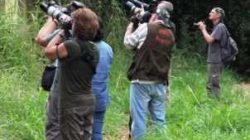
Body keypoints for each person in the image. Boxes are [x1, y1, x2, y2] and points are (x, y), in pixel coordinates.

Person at [43, 7, 99, 139]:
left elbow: (48, 52)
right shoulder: (94, 48)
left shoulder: (71, 46)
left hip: (71, 103)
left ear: (76, 25)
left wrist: (63, 30)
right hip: (88, 101)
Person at [123, 1, 175, 139]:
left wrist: (131, 25)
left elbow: (128, 43)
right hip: (160, 82)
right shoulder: (171, 34)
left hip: (141, 81)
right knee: (159, 120)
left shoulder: (146, 28)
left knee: (139, 120)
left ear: (156, 15)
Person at [35, 17, 61, 140]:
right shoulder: (92, 42)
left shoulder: (67, 34)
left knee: (55, 127)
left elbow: (42, 40)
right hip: (83, 90)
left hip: (60, 83)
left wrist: (53, 21)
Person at [196, 7, 227, 99]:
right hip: (214, 59)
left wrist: (203, 29)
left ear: (218, 15)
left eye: (212, 12)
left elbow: (209, 40)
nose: (210, 13)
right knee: (211, 82)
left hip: (216, 59)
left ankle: (215, 103)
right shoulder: (217, 27)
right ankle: (212, 102)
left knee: (213, 83)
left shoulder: (220, 26)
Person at [91, 19, 113, 140]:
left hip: (82, 97)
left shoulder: (80, 47)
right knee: (97, 133)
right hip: (101, 96)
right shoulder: (108, 48)